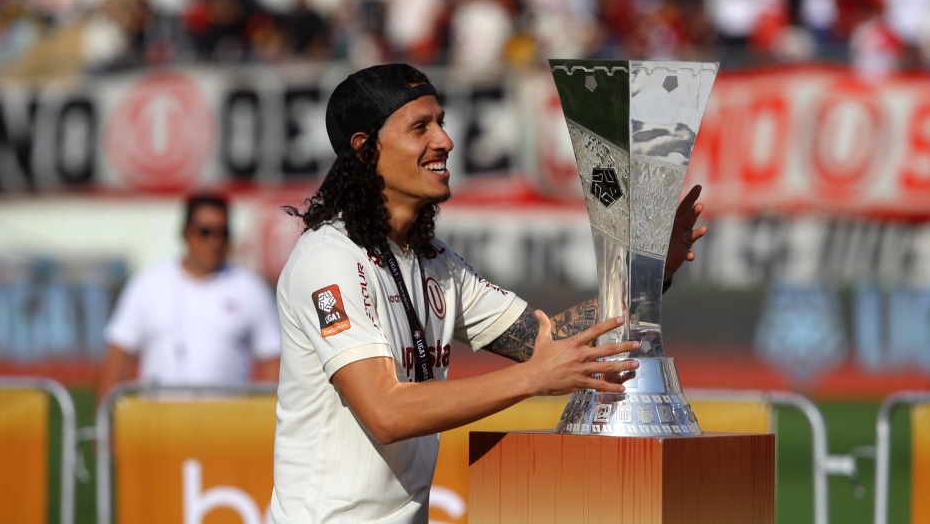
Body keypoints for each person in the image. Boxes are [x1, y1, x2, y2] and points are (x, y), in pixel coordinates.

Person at [271, 63, 706, 523]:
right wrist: (534, 379)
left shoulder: (433, 257)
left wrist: (646, 276)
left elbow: (546, 340)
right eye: (420, 127)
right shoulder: (329, 259)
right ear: (364, 150)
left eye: (440, 122)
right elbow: (386, 412)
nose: (445, 141)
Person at [96, 193, 281, 403]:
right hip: (159, 422)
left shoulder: (250, 289)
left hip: (225, 425)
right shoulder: (147, 285)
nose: (214, 241)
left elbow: (272, 362)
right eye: (205, 232)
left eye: (223, 232)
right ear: (186, 233)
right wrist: (103, 427)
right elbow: (118, 356)